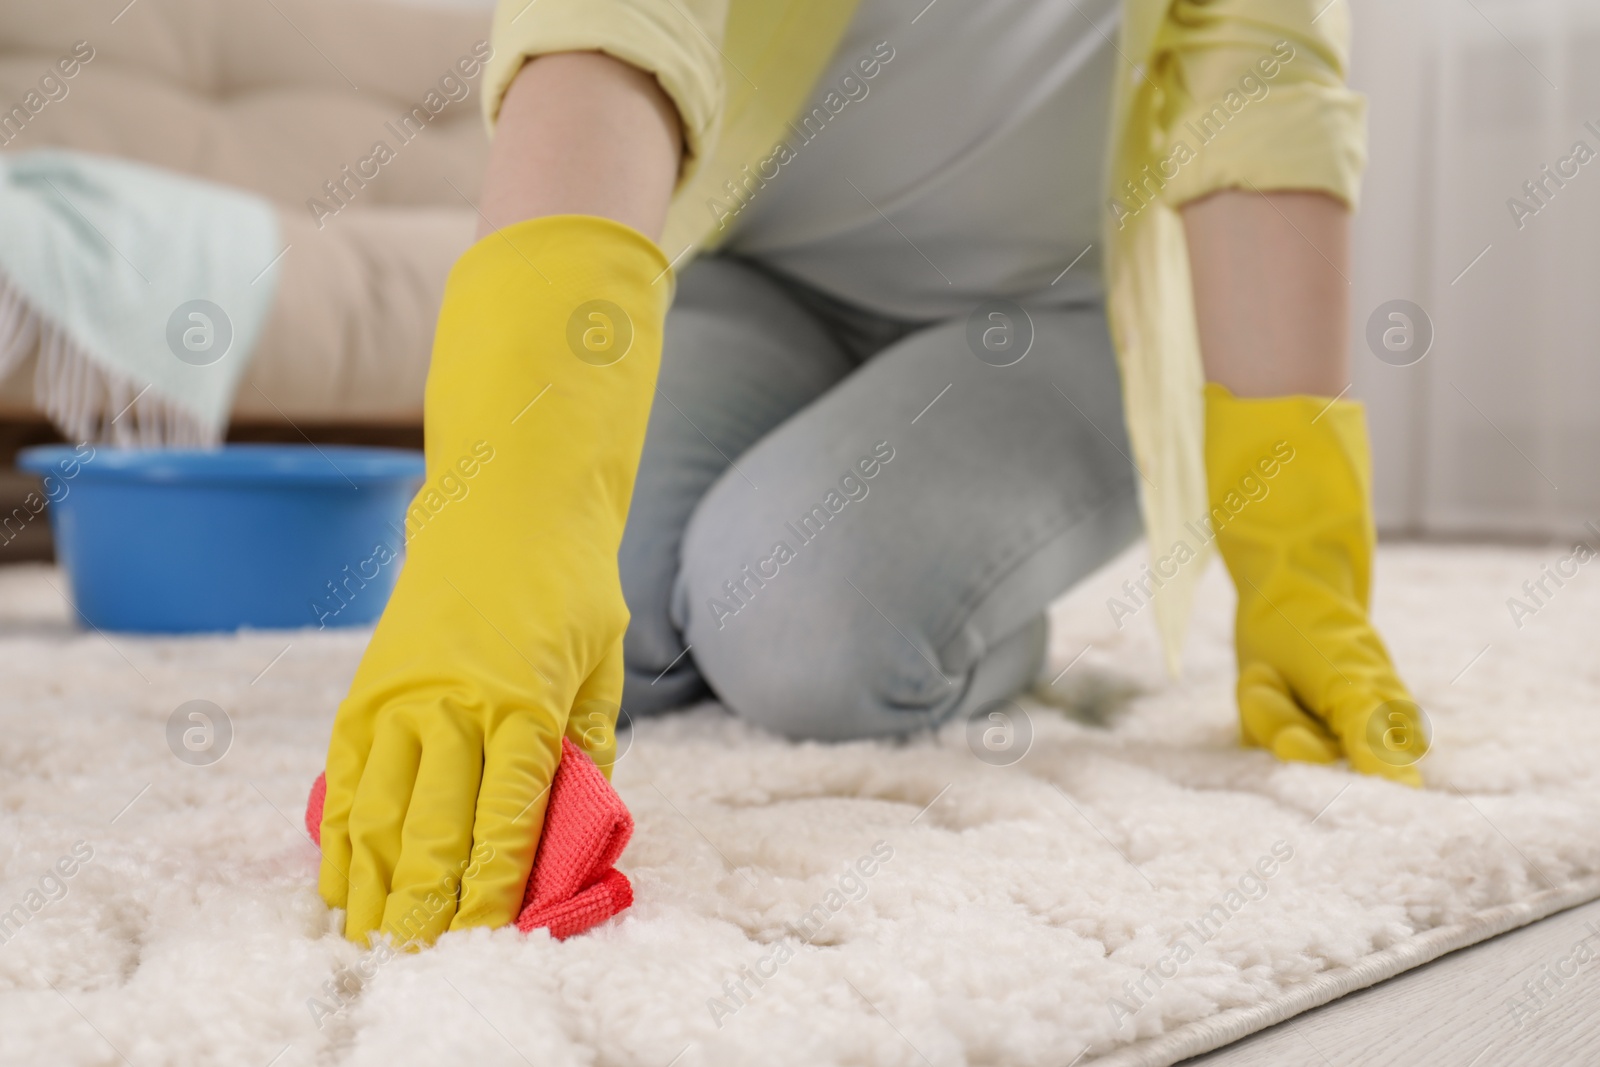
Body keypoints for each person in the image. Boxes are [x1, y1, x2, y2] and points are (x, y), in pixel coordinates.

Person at [315, 0, 1428, 948]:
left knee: (805, 633)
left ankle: (985, 623)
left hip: (1058, 319)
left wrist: (1301, 568)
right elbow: (609, 23)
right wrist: (508, 523)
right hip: (760, 285)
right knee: (633, 630)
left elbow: (1264, 97)